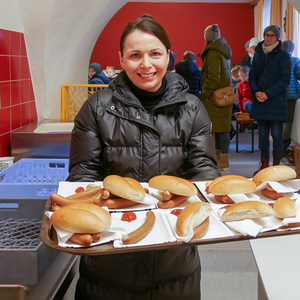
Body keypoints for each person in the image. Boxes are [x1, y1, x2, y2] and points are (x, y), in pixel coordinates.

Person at [67, 14, 220, 300]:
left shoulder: (192, 108)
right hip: (109, 259)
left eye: (155, 54)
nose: (146, 65)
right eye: (135, 55)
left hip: (174, 262)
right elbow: (82, 176)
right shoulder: (96, 108)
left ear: (169, 56)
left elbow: (204, 170)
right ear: (122, 59)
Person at [249, 25, 291, 175]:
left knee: (277, 134)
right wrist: (257, 92)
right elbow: (252, 76)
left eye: (272, 35)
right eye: (267, 34)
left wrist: (268, 94)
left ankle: (277, 167)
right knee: (262, 135)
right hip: (260, 100)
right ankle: (264, 166)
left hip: (276, 100)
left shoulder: (283, 56)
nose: (269, 37)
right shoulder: (258, 54)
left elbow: (285, 79)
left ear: (277, 37)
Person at [199, 24, 232, 171]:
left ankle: (223, 161)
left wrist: (205, 93)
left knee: (221, 129)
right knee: (221, 128)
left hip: (215, 97)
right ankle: (221, 160)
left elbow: (213, 78)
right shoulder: (223, 50)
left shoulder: (213, 53)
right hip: (224, 95)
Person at [281, 40, 300, 155]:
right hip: (290, 95)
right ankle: (285, 146)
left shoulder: (277, 60)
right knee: (288, 122)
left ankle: (279, 145)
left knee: (279, 121)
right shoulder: (294, 60)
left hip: (278, 95)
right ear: (292, 50)